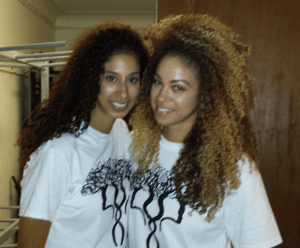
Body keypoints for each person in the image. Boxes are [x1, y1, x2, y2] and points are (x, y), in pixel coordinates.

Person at [126, 14, 282, 248]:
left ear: (205, 94)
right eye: (158, 82)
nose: (161, 96)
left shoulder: (234, 169)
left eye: (178, 87)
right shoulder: (131, 146)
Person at [16, 21, 148, 248]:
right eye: (111, 78)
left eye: (132, 79)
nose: (123, 91)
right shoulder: (57, 154)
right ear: (91, 78)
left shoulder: (118, 131)